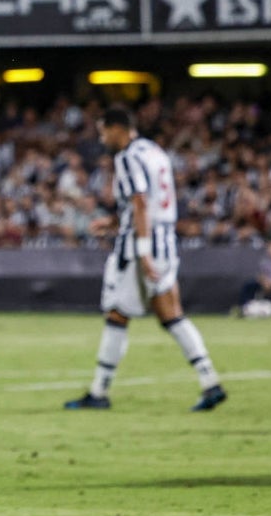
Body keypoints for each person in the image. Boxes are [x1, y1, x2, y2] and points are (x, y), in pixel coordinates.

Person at [65, 106, 227, 412]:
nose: (102, 139)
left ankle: (99, 392)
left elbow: (140, 203)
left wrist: (142, 252)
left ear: (118, 129)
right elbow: (149, 203)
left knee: (116, 314)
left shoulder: (126, 157)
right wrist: (114, 222)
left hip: (140, 248)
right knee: (172, 315)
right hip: (165, 242)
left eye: (103, 132)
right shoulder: (154, 151)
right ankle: (210, 382)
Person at [238, 240, 271, 315]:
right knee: (248, 285)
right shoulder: (264, 260)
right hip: (265, 283)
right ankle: (244, 308)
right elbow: (260, 275)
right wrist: (265, 282)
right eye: (270, 249)